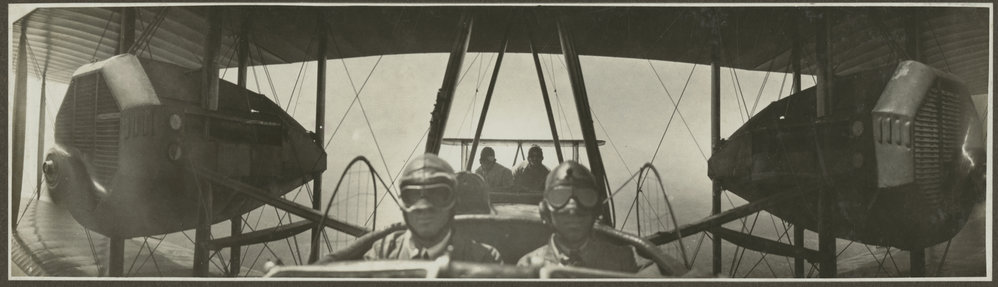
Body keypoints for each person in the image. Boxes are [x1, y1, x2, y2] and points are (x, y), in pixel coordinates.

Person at [364, 153, 503, 263]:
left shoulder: (483, 259)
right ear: (402, 202)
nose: (424, 207)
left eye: (438, 195)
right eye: (412, 196)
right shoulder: (382, 253)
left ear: (454, 202)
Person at [517, 161, 637, 273]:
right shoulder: (527, 267)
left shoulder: (626, 260)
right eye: (559, 197)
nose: (572, 208)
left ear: (596, 209)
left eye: (585, 197)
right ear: (545, 211)